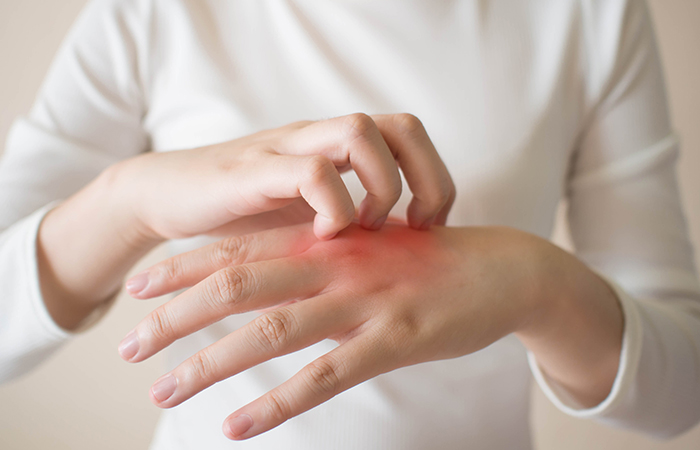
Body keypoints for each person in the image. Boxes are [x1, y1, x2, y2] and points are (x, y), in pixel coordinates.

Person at [1, 0, 698, 448]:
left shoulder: (591, 15)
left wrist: (537, 282)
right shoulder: (152, 14)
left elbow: (681, 390)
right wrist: (128, 203)